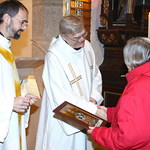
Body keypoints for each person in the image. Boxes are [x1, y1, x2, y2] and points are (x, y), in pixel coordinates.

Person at [35, 15, 103, 150]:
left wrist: (94, 98)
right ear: (64, 36)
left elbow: (95, 75)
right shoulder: (54, 56)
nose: (82, 40)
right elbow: (61, 96)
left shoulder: (87, 47)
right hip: (63, 120)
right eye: (77, 37)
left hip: (86, 110)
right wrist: (91, 110)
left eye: (84, 34)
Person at [88, 37, 150, 150]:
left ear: (130, 61)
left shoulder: (136, 88)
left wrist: (97, 132)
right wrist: (110, 113)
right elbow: (142, 114)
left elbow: (128, 138)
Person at [0, 1, 39, 150]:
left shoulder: (6, 49)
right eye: (22, 22)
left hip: (10, 124)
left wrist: (23, 96)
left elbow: (7, 87)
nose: (24, 27)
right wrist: (10, 104)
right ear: (7, 18)